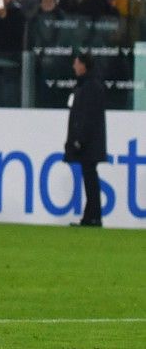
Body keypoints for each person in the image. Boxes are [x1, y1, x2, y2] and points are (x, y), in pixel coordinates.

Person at [65, 54, 108, 227]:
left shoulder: (90, 86)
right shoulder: (87, 85)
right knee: (89, 178)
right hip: (89, 141)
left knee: (90, 179)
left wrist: (79, 140)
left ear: (83, 65)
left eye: (76, 63)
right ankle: (91, 216)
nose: (74, 66)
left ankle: (93, 217)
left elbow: (87, 117)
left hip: (89, 142)